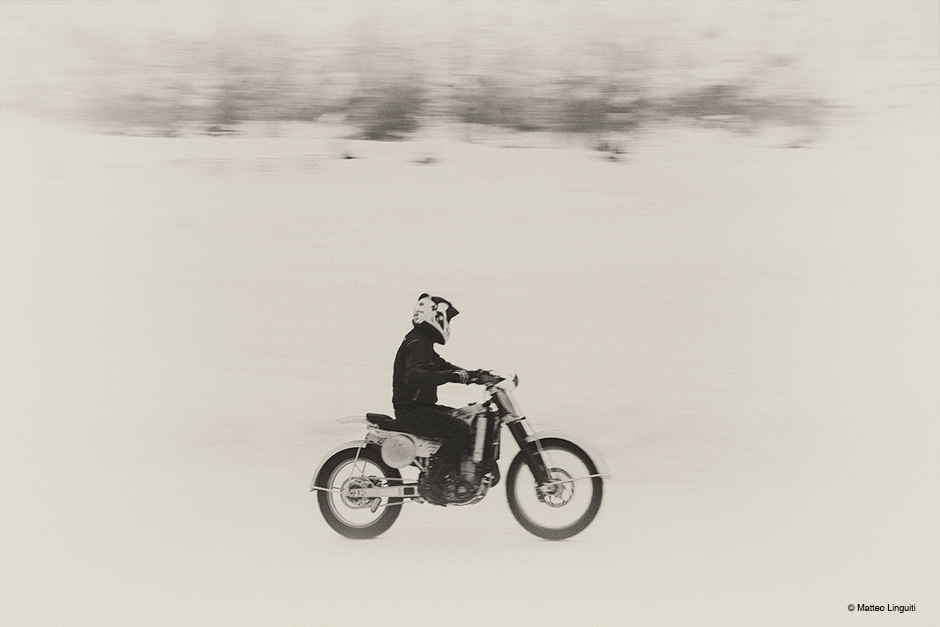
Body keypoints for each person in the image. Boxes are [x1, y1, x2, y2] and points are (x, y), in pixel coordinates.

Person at [392, 293, 475, 494]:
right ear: (435, 315)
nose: (448, 324)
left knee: (466, 418)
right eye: (447, 319)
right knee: (459, 429)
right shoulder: (417, 344)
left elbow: (444, 366)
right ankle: (434, 482)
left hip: (421, 408)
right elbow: (414, 375)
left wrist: (475, 375)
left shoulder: (422, 342)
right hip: (412, 412)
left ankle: (455, 473)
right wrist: (450, 376)